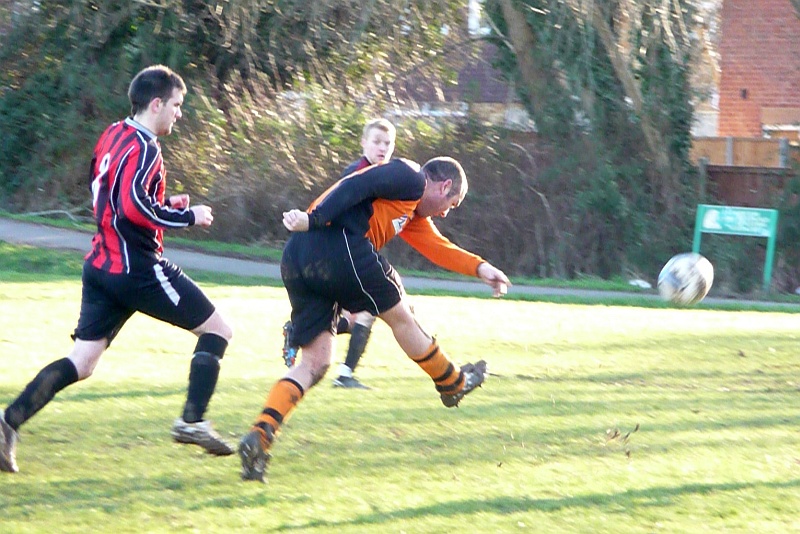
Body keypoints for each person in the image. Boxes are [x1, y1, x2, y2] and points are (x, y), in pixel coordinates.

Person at [0, 65, 235, 474]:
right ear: (156, 103)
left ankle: (7, 423)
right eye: (177, 106)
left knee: (82, 361)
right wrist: (189, 217)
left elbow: (110, 194)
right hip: (136, 268)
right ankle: (192, 421)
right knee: (218, 330)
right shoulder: (146, 148)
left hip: (101, 263)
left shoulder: (113, 133)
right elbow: (131, 206)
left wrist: (166, 205)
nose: (179, 114)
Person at [238, 155, 511, 482]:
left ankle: (260, 434)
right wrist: (315, 218)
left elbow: (438, 247)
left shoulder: (409, 210)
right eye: (451, 204)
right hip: (337, 245)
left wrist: (480, 268)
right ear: (445, 185)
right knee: (402, 316)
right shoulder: (411, 177)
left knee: (316, 362)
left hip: (298, 256)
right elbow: (357, 183)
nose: (445, 212)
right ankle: (452, 383)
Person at [281, 118, 397, 390]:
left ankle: (299, 333)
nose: (382, 147)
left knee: (360, 315)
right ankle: (343, 373)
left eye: (387, 143)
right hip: (336, 258)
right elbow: (334, 211)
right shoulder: (358, 173)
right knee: (369, 311)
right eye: (376, 141)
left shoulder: (385, 176)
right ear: (363, 143)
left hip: (347, 256)